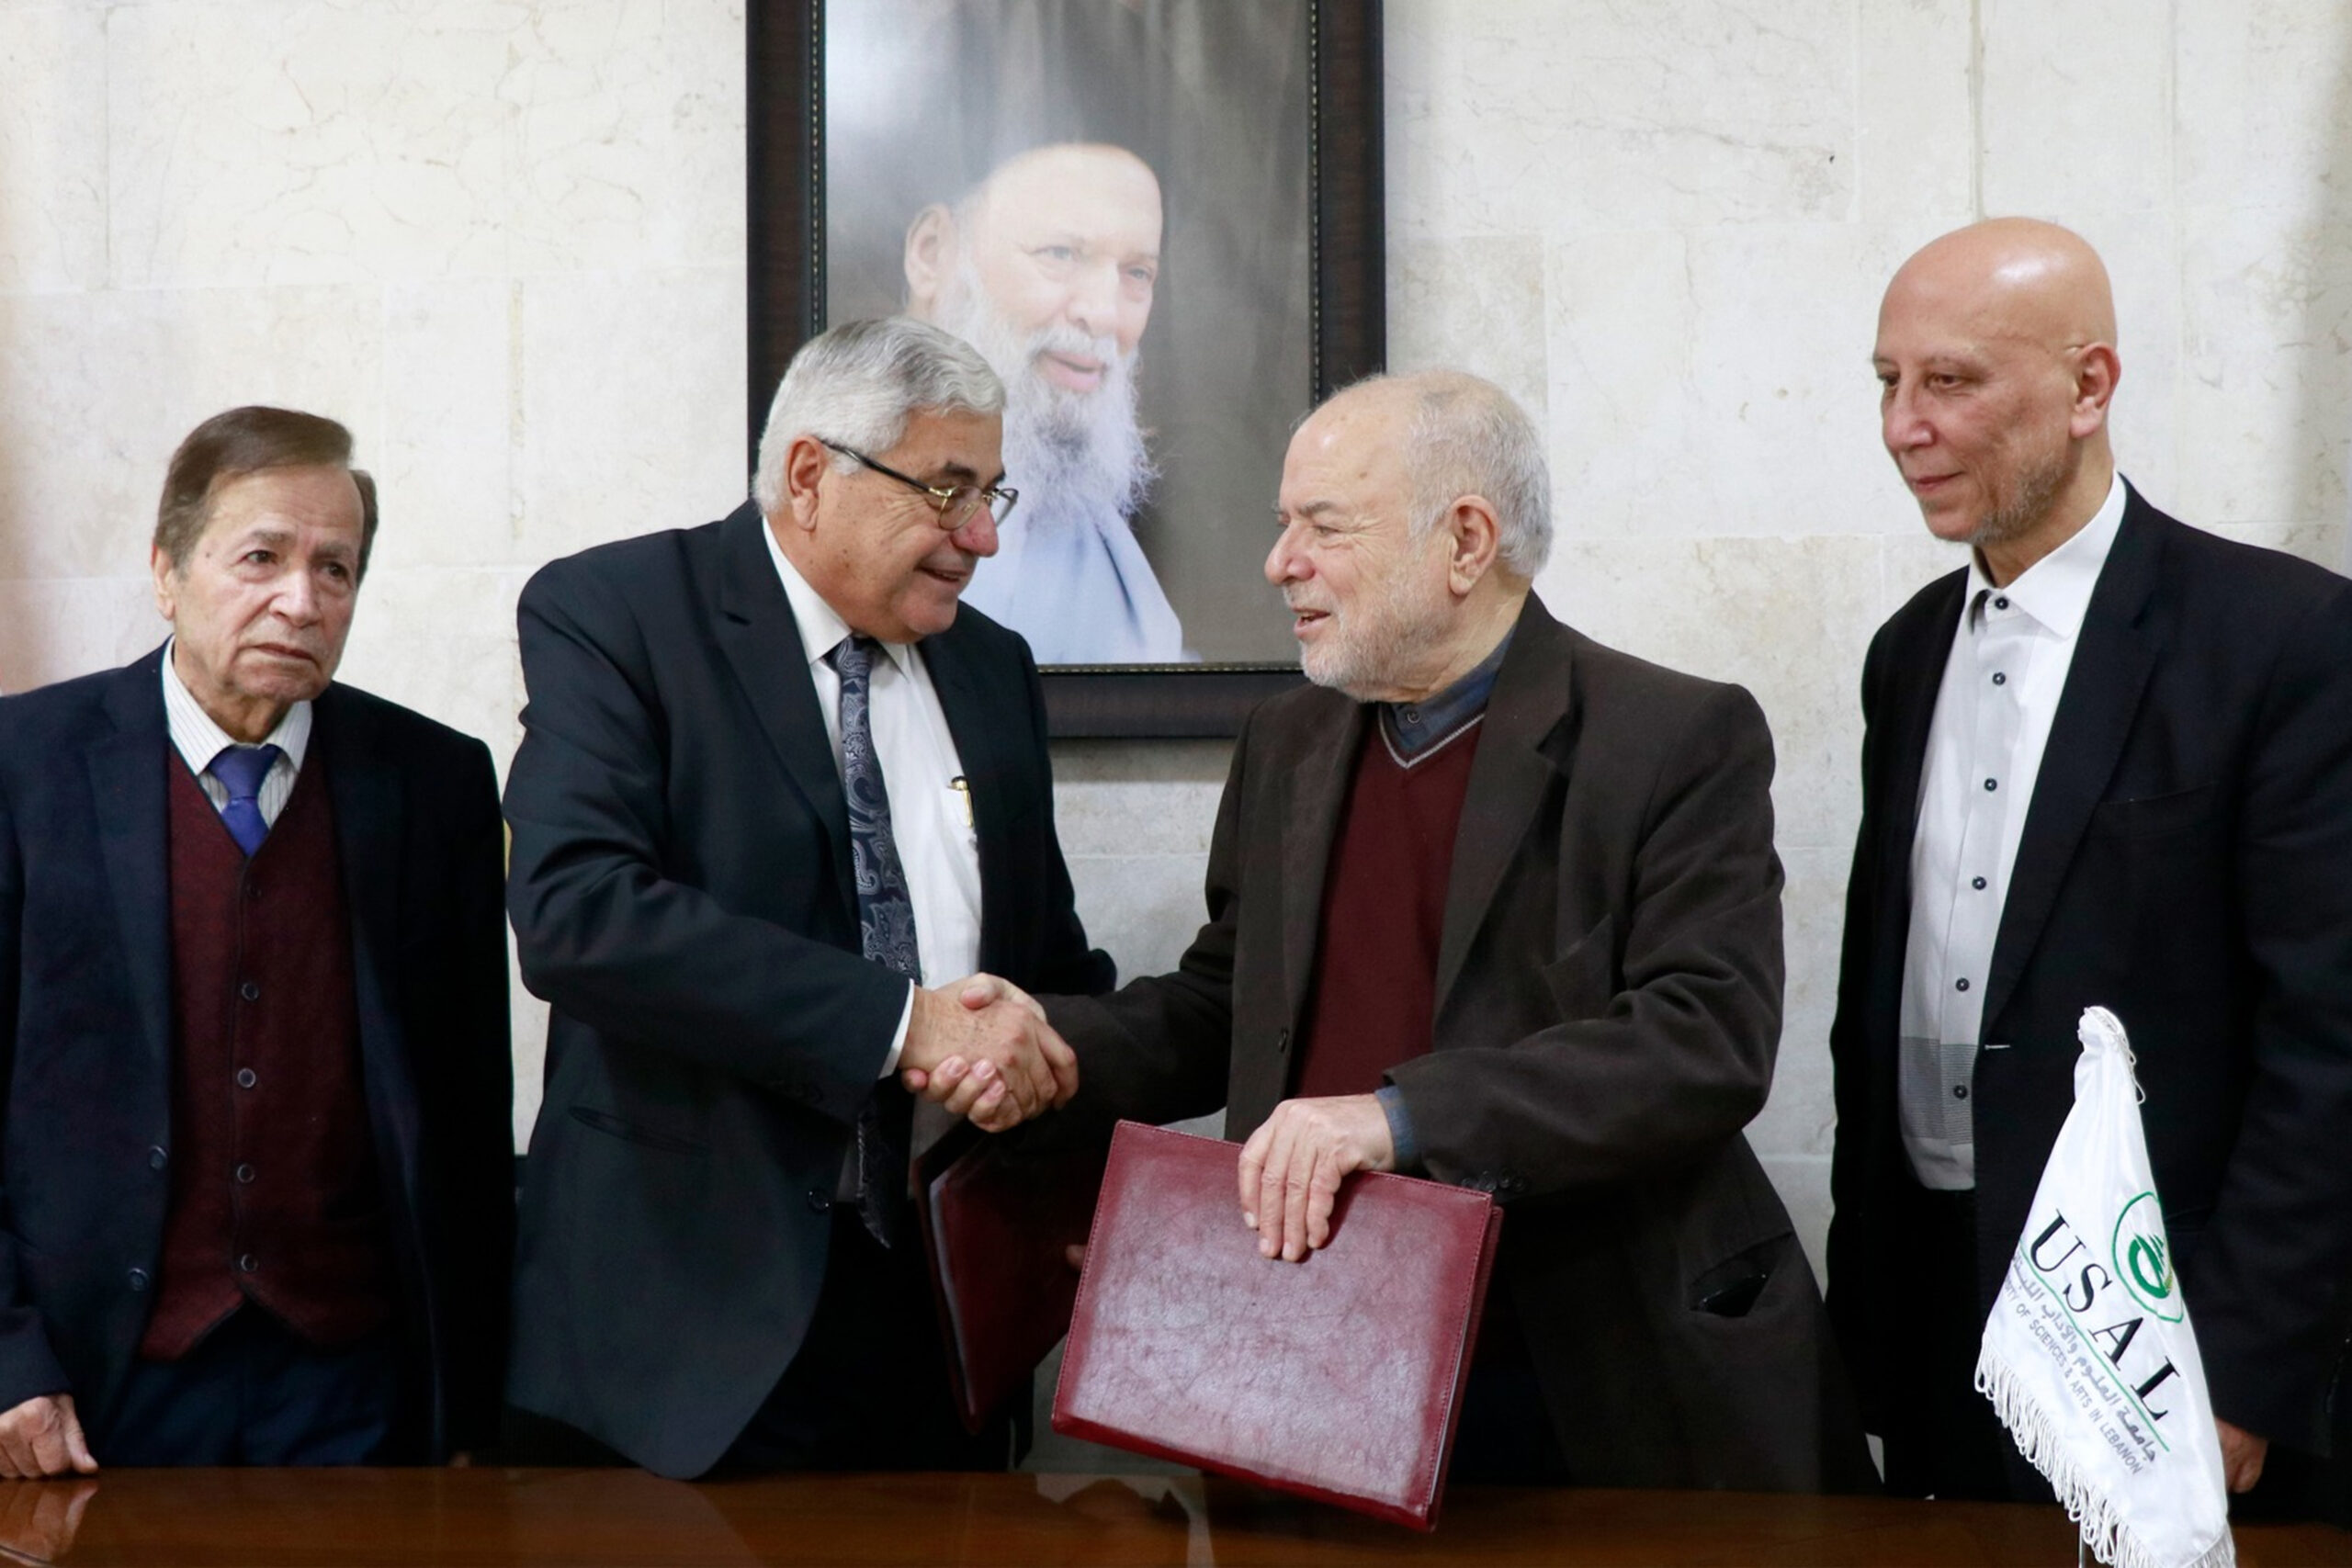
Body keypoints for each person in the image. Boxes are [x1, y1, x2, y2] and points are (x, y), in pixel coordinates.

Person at [967, 369, 1870, 1490]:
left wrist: (1398, 1120)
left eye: (1322, 526)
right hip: (1320, 1351)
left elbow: (1704, 1040)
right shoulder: (1285, 740)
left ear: (1465, 542)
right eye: (1281, 524)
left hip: (1584, 1369)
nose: (1279, 561)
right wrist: (1048, 1045)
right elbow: (1223, 1006)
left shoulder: (1672, 736)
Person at [503, 317, 1114, 1480]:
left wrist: (1074, 1129)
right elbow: (579, 914)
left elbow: (1052, 967)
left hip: (938, 1321)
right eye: (947, 490)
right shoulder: (620, 612)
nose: (980, 536)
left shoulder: (992, 669)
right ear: (808, 475)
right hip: (684, 1327)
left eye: (993, 494)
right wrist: (904, 1023)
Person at [1828, 218, 2352, 1508]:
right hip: (1943, 1335)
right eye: (1888, 382)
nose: (1905, 425)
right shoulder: (1906, 653)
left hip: (2168, 1337)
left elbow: (2329, 1044)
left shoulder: (2279, 638)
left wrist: (2239, 1365)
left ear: (2090, 386)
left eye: (1949, 381)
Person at [0, 406, 514, 1473]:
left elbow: (465, 1110)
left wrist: (465, 1396)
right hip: (98, 1377)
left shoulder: (434, 782)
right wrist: (8, 1357)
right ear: (165, 570)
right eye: (262, 558)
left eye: (337, 569)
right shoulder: (24, 767)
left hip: (353, 1380)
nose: (302, 600)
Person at [902, 141, 1189, 663]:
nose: (1102, 314)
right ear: (932, 253)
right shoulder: (852, 495)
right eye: (1061, 255)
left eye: (1137, 273)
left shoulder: (1120, 571)